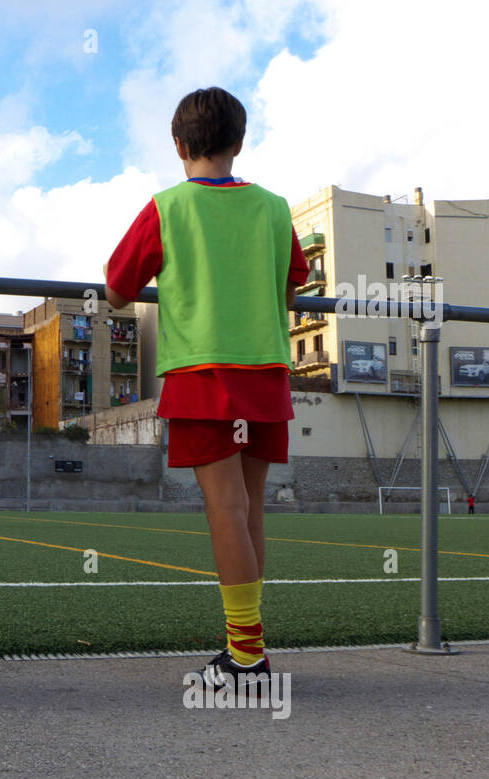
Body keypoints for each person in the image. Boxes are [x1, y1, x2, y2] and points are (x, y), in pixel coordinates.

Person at [104, 87, 309, 691]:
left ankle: (247, 659)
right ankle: (247, 647)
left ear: (178, 146)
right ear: (239, 143)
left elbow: (117, 288)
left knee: (226, 509)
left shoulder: (167, 207)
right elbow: (294, 286)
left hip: (203, 375)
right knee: (250, 511)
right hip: (265, 373)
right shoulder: (274, 208)